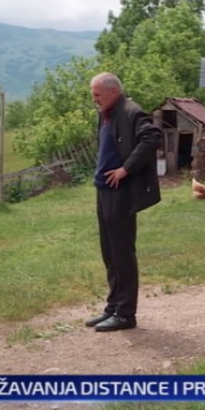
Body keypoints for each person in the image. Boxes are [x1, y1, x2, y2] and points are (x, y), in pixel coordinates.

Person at [85, 72, 163, 332]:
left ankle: (126, 314)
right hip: (104, 190)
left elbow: (152, 138)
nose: (94, 99)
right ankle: (113, 307)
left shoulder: (132, 112)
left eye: (97, 95)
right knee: (109, 252)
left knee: (122, 253)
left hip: (120, 192)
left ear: (113, 92)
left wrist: (125, 169)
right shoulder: (106, 113)